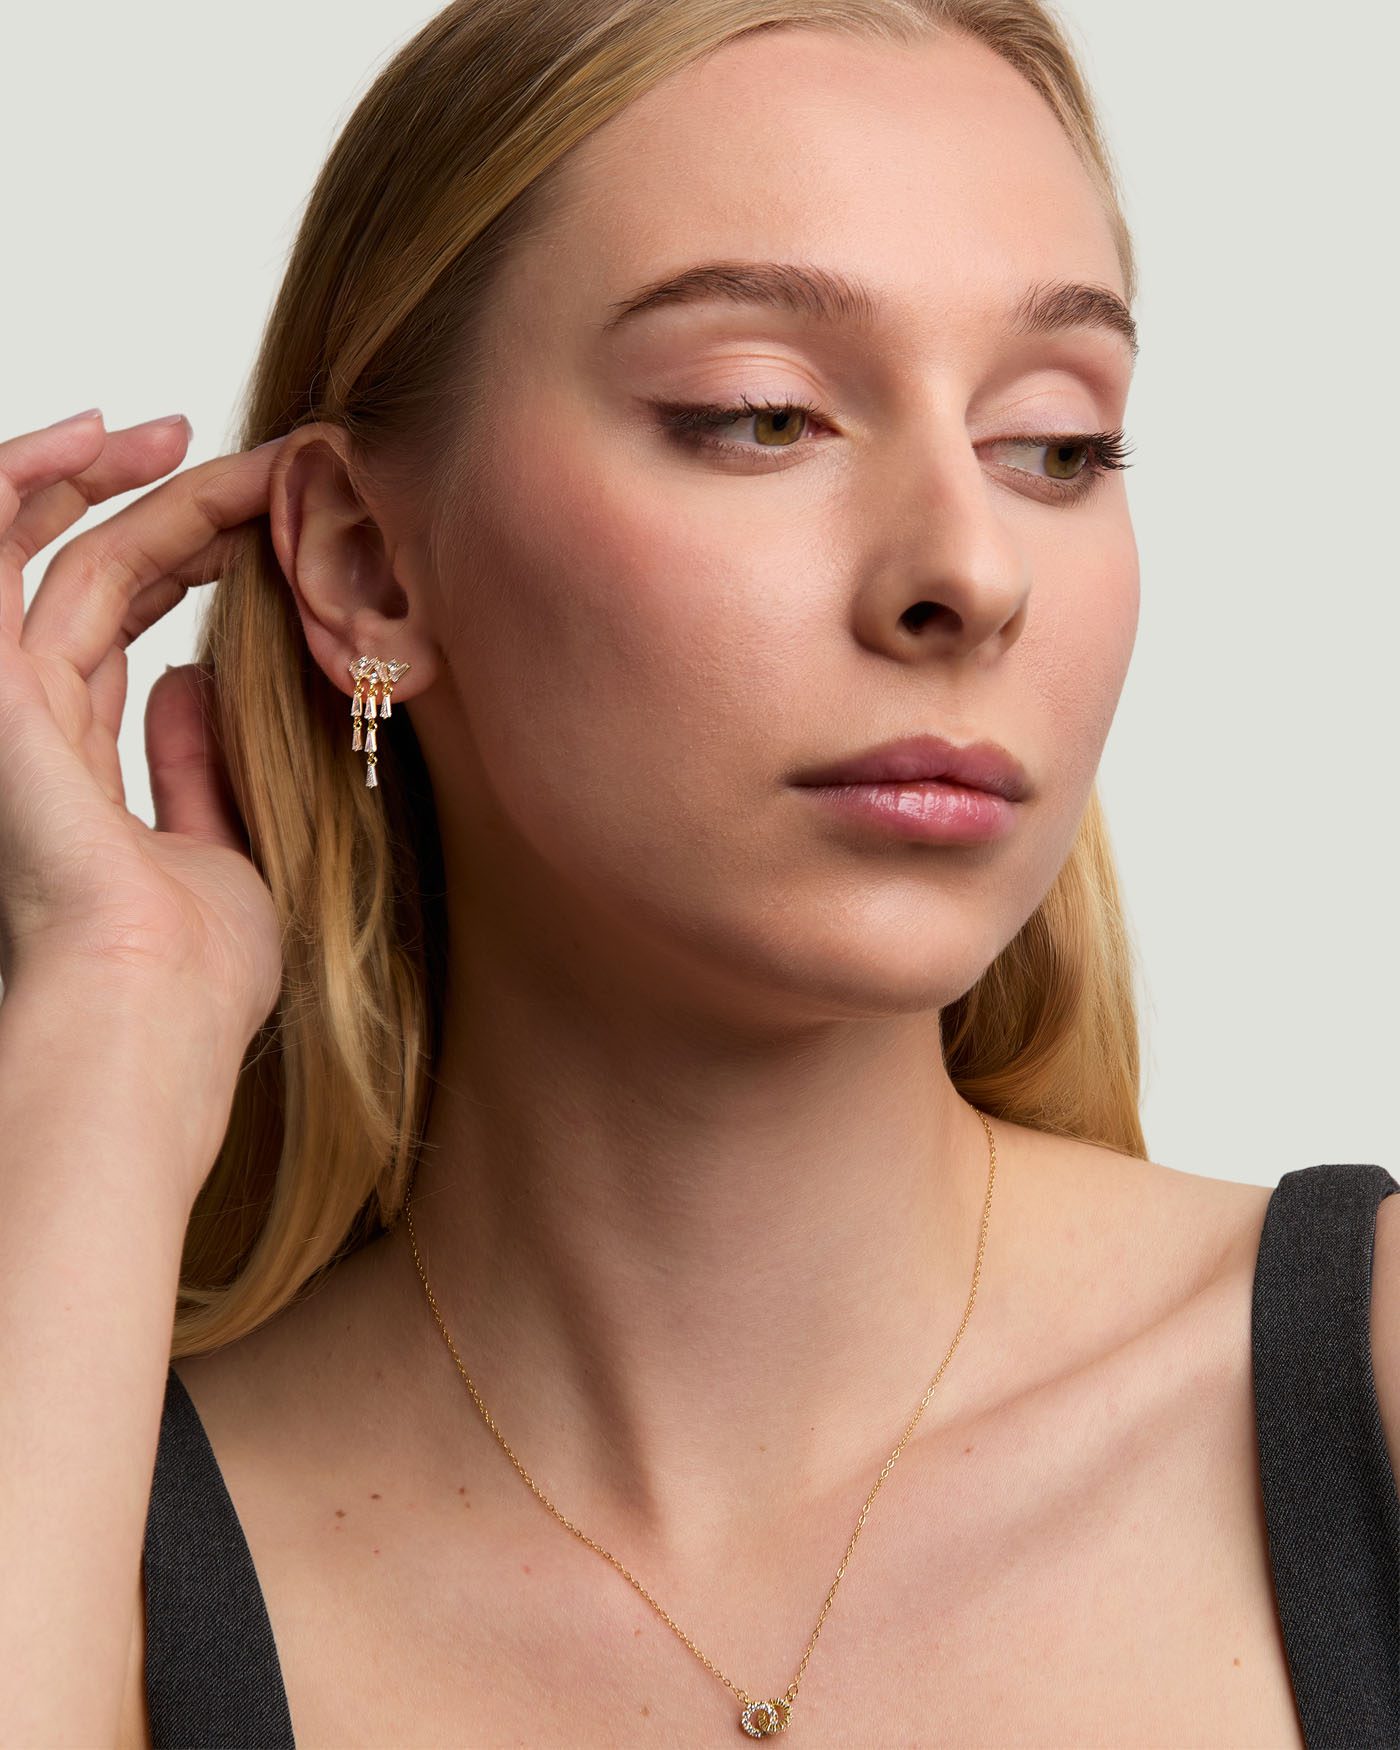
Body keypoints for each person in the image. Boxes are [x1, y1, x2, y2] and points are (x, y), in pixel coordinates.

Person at [2, 2, 1395, 1745]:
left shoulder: (1361, 1386)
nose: (971, 571)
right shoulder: (83, 1538)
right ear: (368, 567)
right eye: (761, 416)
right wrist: (109, 1021)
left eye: (1057, 444)